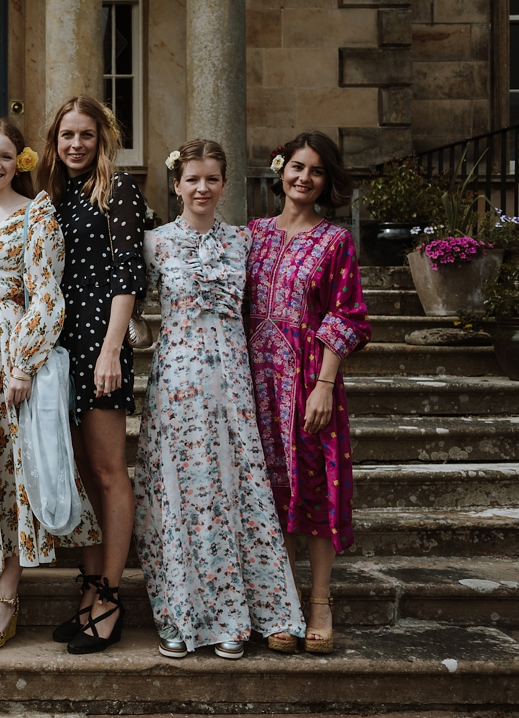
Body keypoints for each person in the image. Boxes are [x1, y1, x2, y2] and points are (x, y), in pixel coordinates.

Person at [135, 138, 304, 660]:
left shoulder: (244, 241)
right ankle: (178, 614)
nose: (202, 188)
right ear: (177, 184)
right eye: (192, 179)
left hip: (231, 381)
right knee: (178, 492)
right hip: (176, 383)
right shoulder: (154, 242)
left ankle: (234, 616)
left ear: (225, 184)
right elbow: (135, 313)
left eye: (211, 179)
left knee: (230, 491)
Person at [0, 118, 98, 651]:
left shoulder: (37, 214)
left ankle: (10, 583)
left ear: (21, 163)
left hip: (10, 359)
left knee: (14, 469)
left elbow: (46, 294)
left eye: (6, 156)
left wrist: (22, 365)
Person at [247, 131, 371, 655]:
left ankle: (319, 601)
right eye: (297, 167)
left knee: (315, 488)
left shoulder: (335, 241)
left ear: (326, 182)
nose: (304, 178)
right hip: (253, 384)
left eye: (316, 171)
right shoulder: (249, 235)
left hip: (308, 384)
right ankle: (280, 603)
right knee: (267, 496)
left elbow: (349, 316)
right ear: (280, 170)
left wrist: (323, 383)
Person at [35, 96, 147, 654]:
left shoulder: (118, 189)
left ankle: (110, 599)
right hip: (60, 353)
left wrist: (110, 349)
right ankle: (87, 593)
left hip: (99, 349)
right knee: (81, 475)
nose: (75, 144)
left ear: (102, 139)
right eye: (66, 135)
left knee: (108, 473)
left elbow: (128, 276)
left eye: (85, 135)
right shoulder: (54, 196)